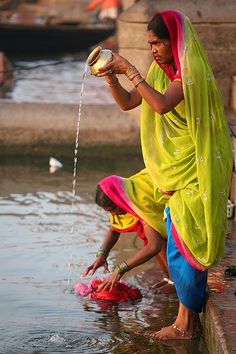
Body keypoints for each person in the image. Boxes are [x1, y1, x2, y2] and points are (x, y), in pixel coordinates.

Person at [92, 10, 233, 340]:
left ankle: (186, 324)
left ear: (176, 41)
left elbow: (162, 106)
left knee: (187, 242)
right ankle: (188, 321)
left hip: (197, 167)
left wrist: (130, 68)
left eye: (158, 43)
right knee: (179, 241)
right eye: (149, 44)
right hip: (178, 175)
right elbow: (129, 103)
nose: (153, 49)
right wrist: (113, 77)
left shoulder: (191, 71)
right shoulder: (159, 70)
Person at [83, 169, 175, 293]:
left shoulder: (140, 203)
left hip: (176, 203)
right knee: (150, 234)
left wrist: (121, 268)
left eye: (113, 209)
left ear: (118, 198)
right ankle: (169, 278)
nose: (114, 214)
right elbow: (114, 229)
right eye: (109, 212)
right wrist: (102, 255)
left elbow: (154, 246)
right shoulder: (121, 199)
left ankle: (175, 282)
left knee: (156, 235)